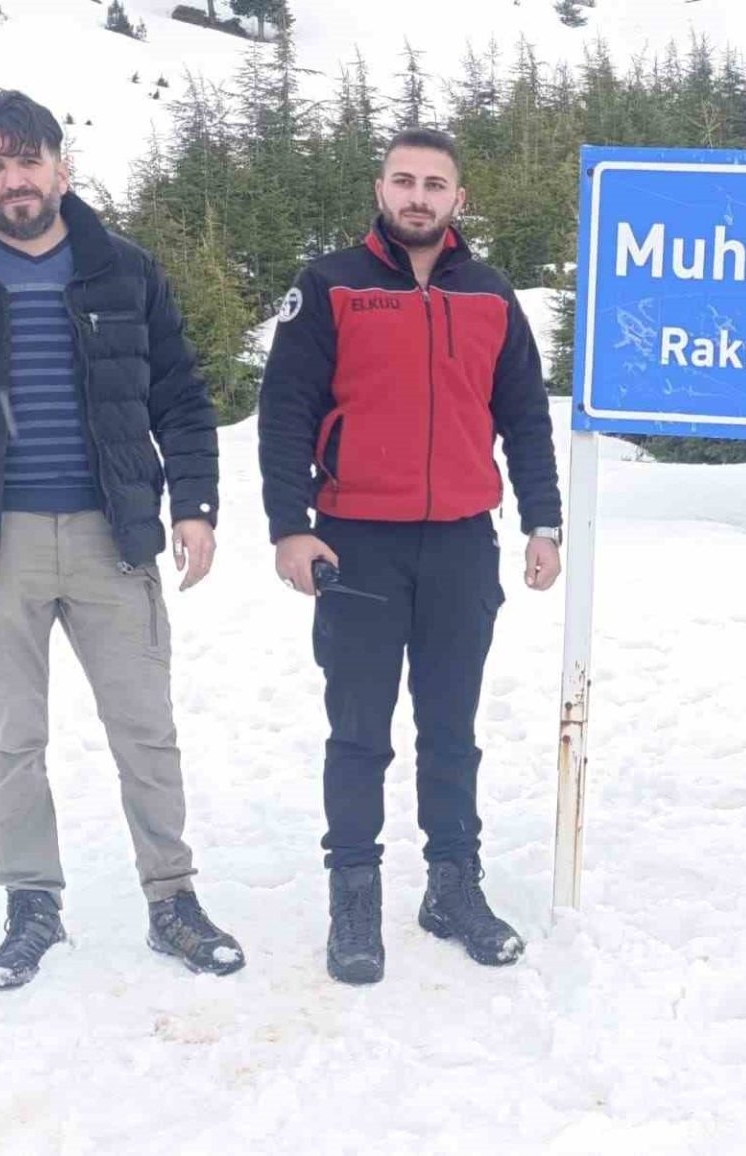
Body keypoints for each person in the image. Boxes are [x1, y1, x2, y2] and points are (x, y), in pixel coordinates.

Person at [0, 90, 244, 988]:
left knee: (145, 731)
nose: (14, 179)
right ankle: (32, 902)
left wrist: (194, 504)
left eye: (27, 159)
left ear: (61, 167)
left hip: (114, 537)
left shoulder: (123, 268)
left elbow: (180, 395)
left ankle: (172, 899)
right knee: (14, 739)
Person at [259, 127, 562, 985]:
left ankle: (453, 887)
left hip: (462, 542)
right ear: (381, 189)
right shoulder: (331, 286)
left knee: (451, 730)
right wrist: (289, 526)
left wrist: (543, 521)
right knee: (359, 732)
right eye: (404, 181)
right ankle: (354, 896)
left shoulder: (491, 295)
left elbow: (524, 417)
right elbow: (285, 410)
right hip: (356, 542)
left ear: (459, 198)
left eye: (435, 183)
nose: (418, 196)